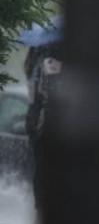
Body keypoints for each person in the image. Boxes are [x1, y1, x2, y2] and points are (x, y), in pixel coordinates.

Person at [23, 41, 63, 211]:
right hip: (46, 122)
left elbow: (35, 96)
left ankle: (41, 203)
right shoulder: (48, 64)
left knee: (40, 166)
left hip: (36, 120)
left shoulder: (34, 61)